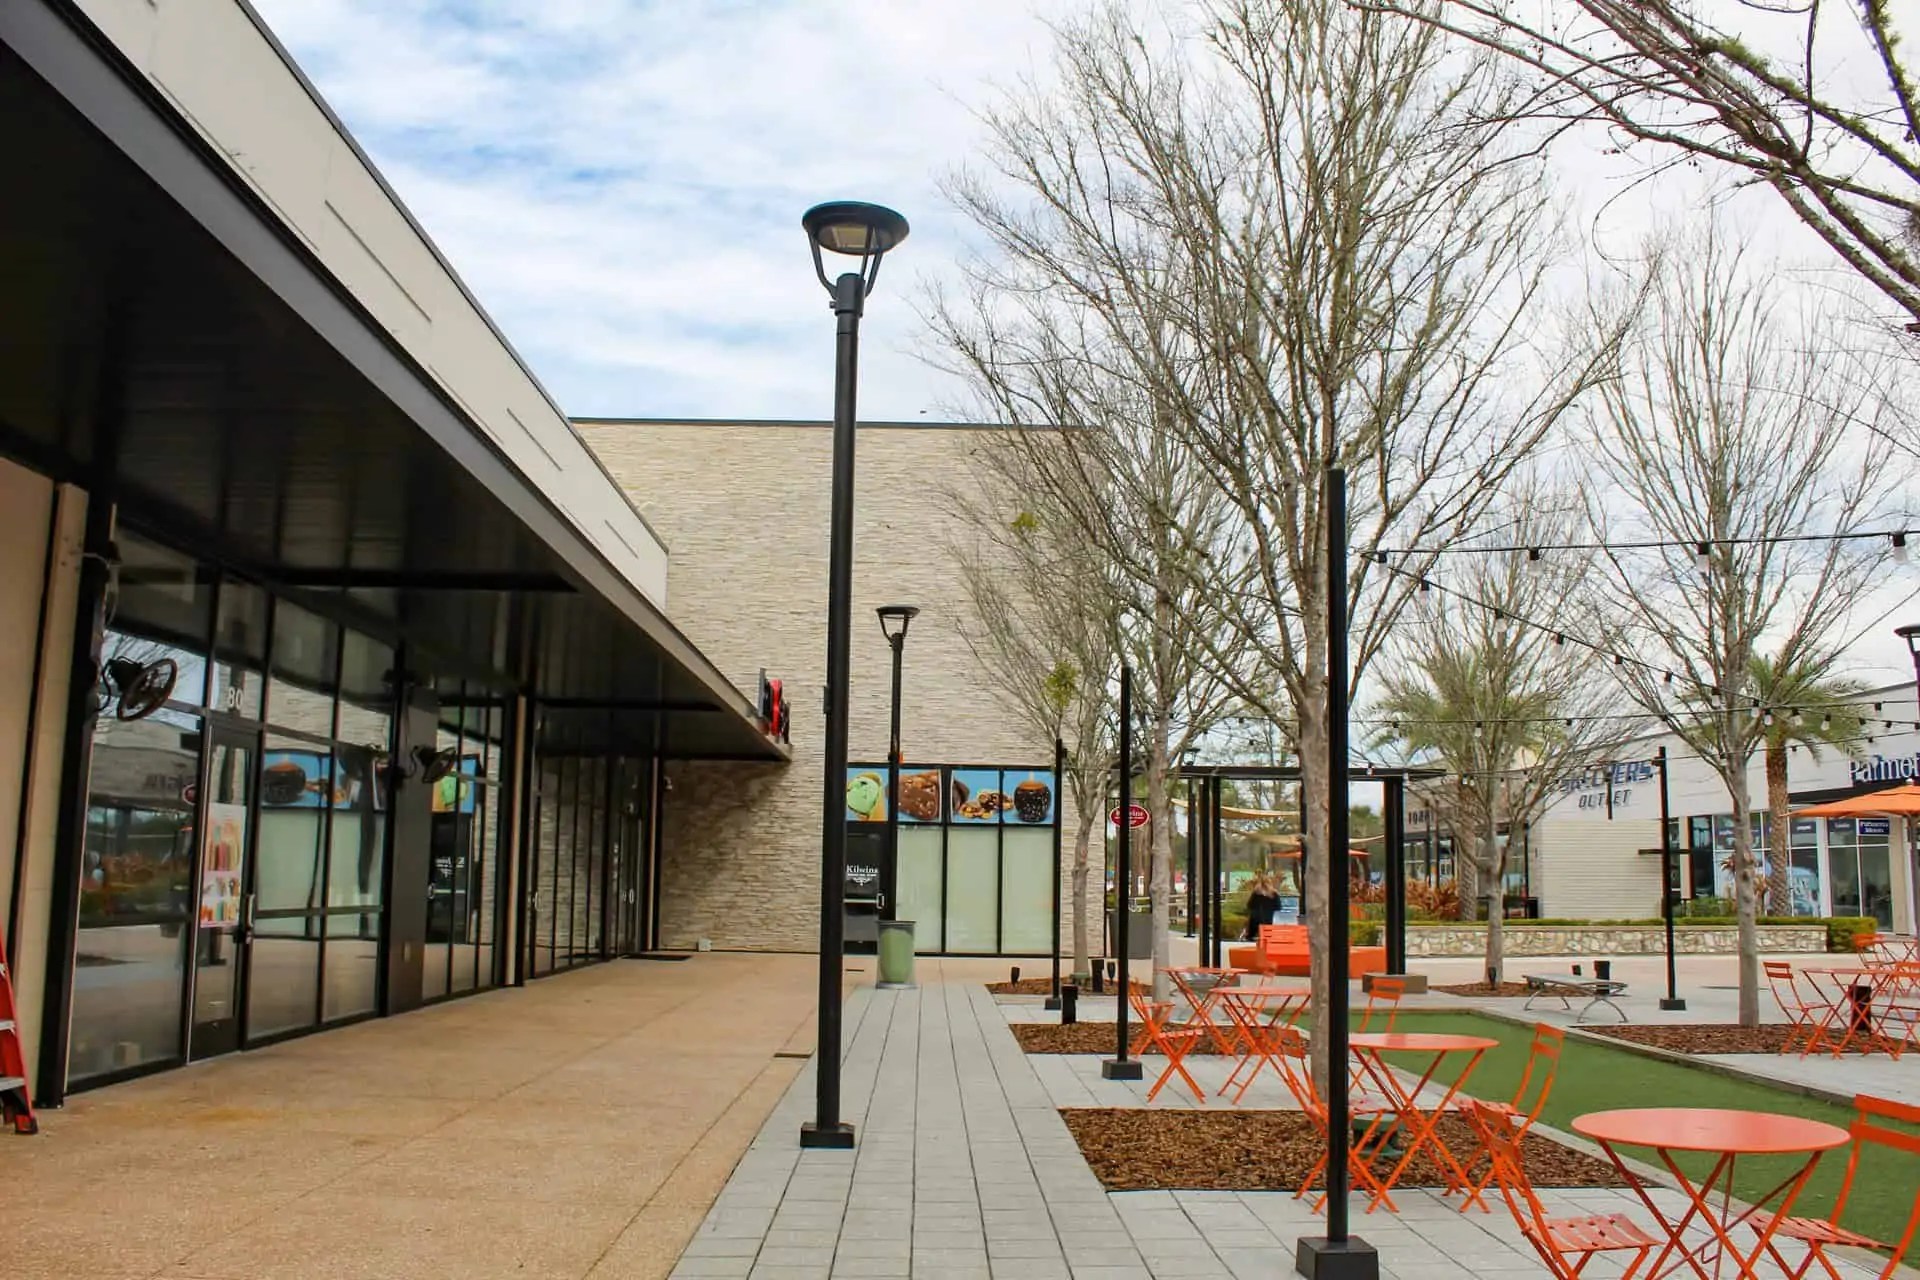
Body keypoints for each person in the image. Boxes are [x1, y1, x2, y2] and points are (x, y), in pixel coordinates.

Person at [1242, 872, 1278, 941]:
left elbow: (1249, 905)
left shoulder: (1256, 893)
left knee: (1251, 938)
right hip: (1268, 921)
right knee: (1267, 938)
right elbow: (1278, 906)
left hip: (1255, 922)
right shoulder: (1274, 894)